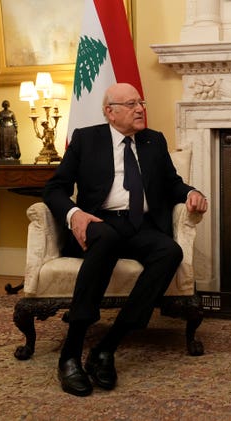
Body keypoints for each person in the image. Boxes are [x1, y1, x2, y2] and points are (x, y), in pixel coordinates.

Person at [43, 82, 208, 397]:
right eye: (131, 104)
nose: (140, 109)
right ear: (110, 112)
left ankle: (106, 347)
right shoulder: (86, 139)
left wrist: (191, 192)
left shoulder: (153, 141)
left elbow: (172, 183)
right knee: (104, 238)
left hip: (139, 225)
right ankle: (71, 353)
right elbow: (54, 188)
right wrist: (74, 214)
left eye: (141, 103)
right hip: (98, 221)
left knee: (169, 251)